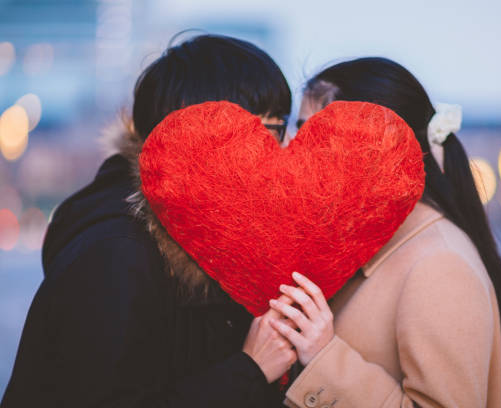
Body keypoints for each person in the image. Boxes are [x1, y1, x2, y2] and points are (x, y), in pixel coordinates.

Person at [1, 34, 295, 408]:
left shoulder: (204, 233)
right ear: (204, 133)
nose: (282, 150)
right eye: (271, 130)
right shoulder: (117, 253)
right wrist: (249, 369)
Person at [266, 57, 501, 407]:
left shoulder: (440, 265)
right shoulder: (367, 244)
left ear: (378, 142)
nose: (294, 150)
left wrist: (325, 358)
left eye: (313, 131)